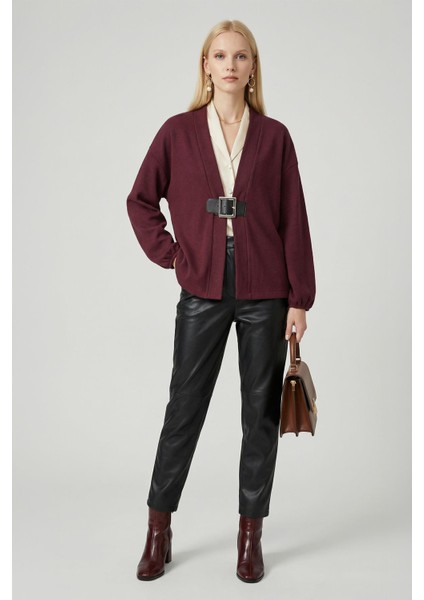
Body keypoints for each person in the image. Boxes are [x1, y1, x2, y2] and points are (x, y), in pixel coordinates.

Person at [126, 19, 316, 583]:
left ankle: (249, 536)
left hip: (266, 289)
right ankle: (158, 530)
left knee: (259, 415)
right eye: (220, 55)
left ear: (253, 68)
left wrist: (299, 298)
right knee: (183, 410)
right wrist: (172, 256)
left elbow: (294, 218)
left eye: (240, 56)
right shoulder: (178, 132)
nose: (230, 65)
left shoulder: (275, 136)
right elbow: (140, 200)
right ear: (205, 66)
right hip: (202, 286)